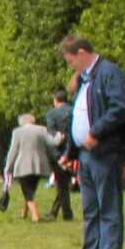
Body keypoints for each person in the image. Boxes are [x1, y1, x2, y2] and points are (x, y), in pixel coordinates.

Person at [54, 34, 125, 249]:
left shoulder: (110, 74)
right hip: (86, 155)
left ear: (82, 52)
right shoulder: (86, 80)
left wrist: (97, 133)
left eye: (71, 61)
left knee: (108, 208)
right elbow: (79, 119)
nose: (71, 67)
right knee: (91, 210)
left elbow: (120, 107)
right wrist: (71, 151)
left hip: (105, 153)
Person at [3, 112, 57, 223]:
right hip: (39, 165)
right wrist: (60, 136)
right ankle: (24, 212)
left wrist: (8, 167)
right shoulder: (42, 129)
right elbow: (52, 143)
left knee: (27, 190)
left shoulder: (17, 132)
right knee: (31, 189)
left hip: (23, 165)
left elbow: (13, 151)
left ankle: (35, 215)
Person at [44, 86, 76, 221]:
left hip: (58, 152)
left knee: (62, 184)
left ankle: (67, 214)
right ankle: (54, 211)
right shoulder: (74, 111)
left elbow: (51, 132)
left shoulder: (51, 114)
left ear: (56, 100)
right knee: (64, 183)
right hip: (73, 150)